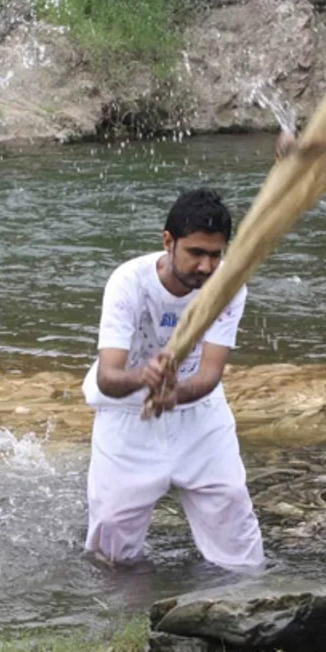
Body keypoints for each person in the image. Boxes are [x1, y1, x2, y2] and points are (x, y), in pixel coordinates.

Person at [82, 188, 264, 569]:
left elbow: (210, 374)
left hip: (199, 413)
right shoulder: (128, 282)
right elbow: (107, 378)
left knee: (232, 515)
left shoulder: (228, 287)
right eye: (196, 253)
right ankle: (119, 614)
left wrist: (175, 394)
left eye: (216, 255)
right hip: (128, 415)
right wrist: (143, 377)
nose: (206, 267)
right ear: (168, 241)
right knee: (112, 543)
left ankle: (247, 602)